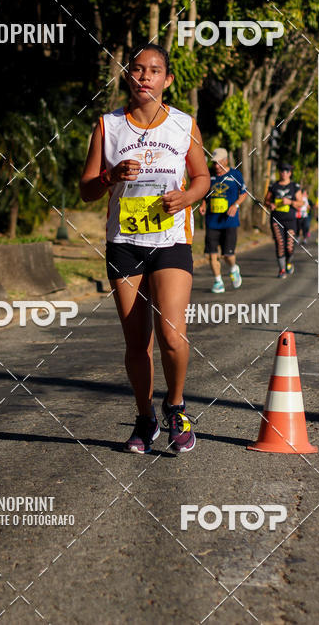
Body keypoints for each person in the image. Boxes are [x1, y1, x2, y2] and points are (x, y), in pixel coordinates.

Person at [79, 43, 210, 454]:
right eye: (137, 69)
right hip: (125, 243)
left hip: (170, 240)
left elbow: (203, 178)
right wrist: (110, 176)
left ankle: (176, 407)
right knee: (137, 343)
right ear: (128, 76)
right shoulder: (108, 126)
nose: (144, 77)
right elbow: (86, 190)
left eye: (154, 70)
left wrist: (186, 198)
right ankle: (144, 417)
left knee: (171, 334)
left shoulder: (184, 124)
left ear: (166, 79)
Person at [199, 148, 247, 292]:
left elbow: (244, 193)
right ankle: (218, 281)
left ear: (226, 161)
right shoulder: (209, 175)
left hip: (229, 222)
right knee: (211, 254)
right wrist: (203, 204)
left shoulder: (235, 175)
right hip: (212, 221)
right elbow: (204, 194)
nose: (216, 166)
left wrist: (235, 205)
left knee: (228, 255)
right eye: (214, 163)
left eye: (219, 163)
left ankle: (233, 268)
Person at [265, 163, 303, 278]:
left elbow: (301, 203)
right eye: (282, 171)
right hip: (276, 219)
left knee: (289, 247)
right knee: (280, 243)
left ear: (290, 173)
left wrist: (290, 202)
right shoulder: (273, 186)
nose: (284, 173)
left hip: (291, 220)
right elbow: (266, 201)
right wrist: (270, 204)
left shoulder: (294, 186)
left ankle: (288, 263)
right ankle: (281, 269)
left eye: (286, 171)